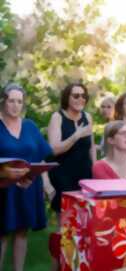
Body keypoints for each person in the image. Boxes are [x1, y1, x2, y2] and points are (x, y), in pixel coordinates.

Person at [0, 83, 53, 271]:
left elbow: (41, 156)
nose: (16, 105)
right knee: (3, 233)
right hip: (4, 189)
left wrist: (46, 184)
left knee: (22, 232)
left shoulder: (30, 126)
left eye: (19, 101)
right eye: (11, 101)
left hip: (27, 187)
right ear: (3, 102)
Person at [48, 83, 95, 214]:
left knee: (85, 217)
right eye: (76, 95)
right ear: (67, 98)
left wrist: (94, 169)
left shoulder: (88, 117)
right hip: (63, 175)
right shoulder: (57, 117)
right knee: (66, 220)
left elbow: (91, 147)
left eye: (83, 96)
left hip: (85, 174)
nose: (81, 99)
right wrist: (76, 136)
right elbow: (54, 149)